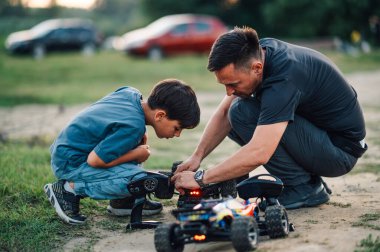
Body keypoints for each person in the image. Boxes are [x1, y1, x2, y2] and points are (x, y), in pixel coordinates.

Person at [172, 26, 368, 210]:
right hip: (321, 139)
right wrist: (197, 157)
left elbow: (260, 151)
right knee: (236, 111)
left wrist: (200, 179)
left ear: (257, 68)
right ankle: (305, 181)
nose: (229, 91)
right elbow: (224, 113)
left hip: (339, 152)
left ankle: (303, 188)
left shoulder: (284, 78)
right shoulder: (258, 52)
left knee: (243, 112)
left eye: (233, 83)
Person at [44, 79, 200, 224]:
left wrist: (137, 142)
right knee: (138, 179)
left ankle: (123, 201)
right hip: (72, 164)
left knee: (135, 145)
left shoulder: (131, 94)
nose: (177, 134)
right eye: (177, 128)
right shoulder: (133, 126)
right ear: (160, 115)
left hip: (65, 152)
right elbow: (95, 160)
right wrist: (138, 154)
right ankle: (68, 189)